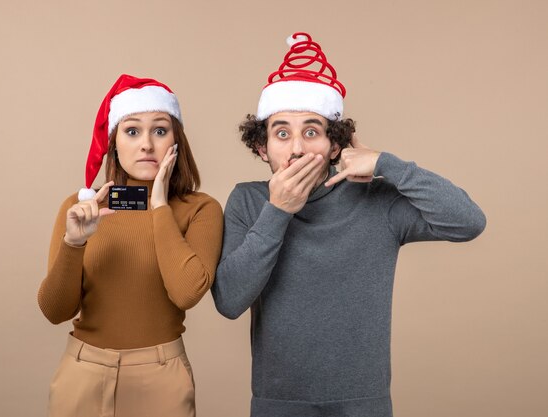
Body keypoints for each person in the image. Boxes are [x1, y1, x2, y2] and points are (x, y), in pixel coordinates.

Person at [211, 32, 486, 417]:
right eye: (281, 133)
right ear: (262, 147)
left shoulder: (375, 199)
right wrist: (277, 211)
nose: (296, 150)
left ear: (335, 146)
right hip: (278, 403)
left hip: (364, 403)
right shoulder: (248, 200)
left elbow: (469, 222)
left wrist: (387, 165)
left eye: (311, 132)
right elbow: (229, 300)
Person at [38, 74, 223, 417]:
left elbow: (186, 293)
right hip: (82, 373)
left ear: (176, 140)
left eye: (160, 130)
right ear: (114, 142)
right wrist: (73, 243)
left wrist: (160, 205)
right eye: (132, 130)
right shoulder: (80, 209)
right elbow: (54, 311)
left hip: (161, 377)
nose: (147, 145)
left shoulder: (201, 209)